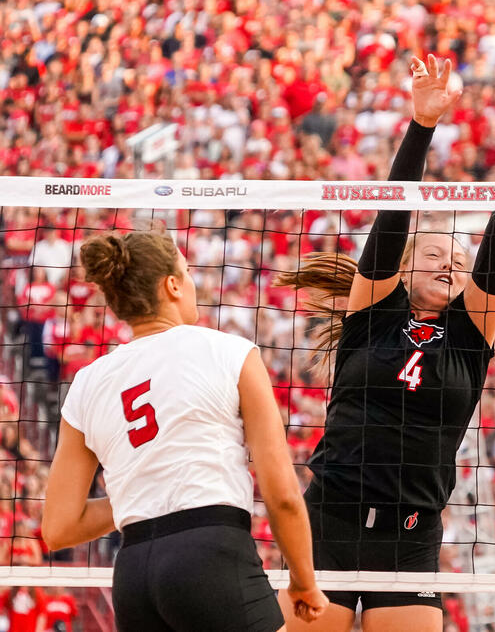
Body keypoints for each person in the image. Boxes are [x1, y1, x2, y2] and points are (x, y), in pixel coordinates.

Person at [276, 56, 495, 632]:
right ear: (402, 270)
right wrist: (422, 123)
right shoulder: (372, 312)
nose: (451, 265)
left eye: (457, 260)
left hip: (412, 532)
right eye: (435, 256)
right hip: (332, 520)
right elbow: (394, 215)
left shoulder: (469, 335)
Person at [41, 229, 328, 632]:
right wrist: (303, 581)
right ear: (172, 285)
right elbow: (281, 494)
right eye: (188, 272)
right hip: (210, 554)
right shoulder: (231, 352)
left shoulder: (88, 383)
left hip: (134, 573)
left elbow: (58, 528)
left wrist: (143, 486)